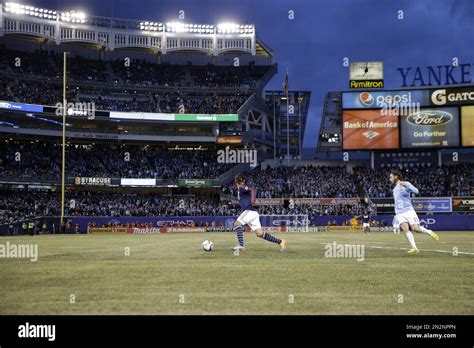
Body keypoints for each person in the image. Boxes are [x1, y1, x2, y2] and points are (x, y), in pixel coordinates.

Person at [231, 174, 286, 252]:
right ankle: (280, 241)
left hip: (249, 210)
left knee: (237, 224)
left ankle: (241, 245)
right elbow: (246, 199)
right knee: (259, 233)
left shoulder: (241, 187)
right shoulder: (240, 190)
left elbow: (252, 190)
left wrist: (253, 201)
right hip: (252, 212)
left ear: (237, 182)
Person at [389, 169, 439, 254]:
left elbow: (416, 191)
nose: (389, 179)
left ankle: (429, 232)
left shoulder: (405, 184)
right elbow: (397, 202)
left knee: (416, 229)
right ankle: (414, 248)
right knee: (405, 229)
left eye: (391, 177)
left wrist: (405, 184)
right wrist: (396, 215)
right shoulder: (394, 190)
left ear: (396, 176)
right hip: (399, 213)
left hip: (408, 210)